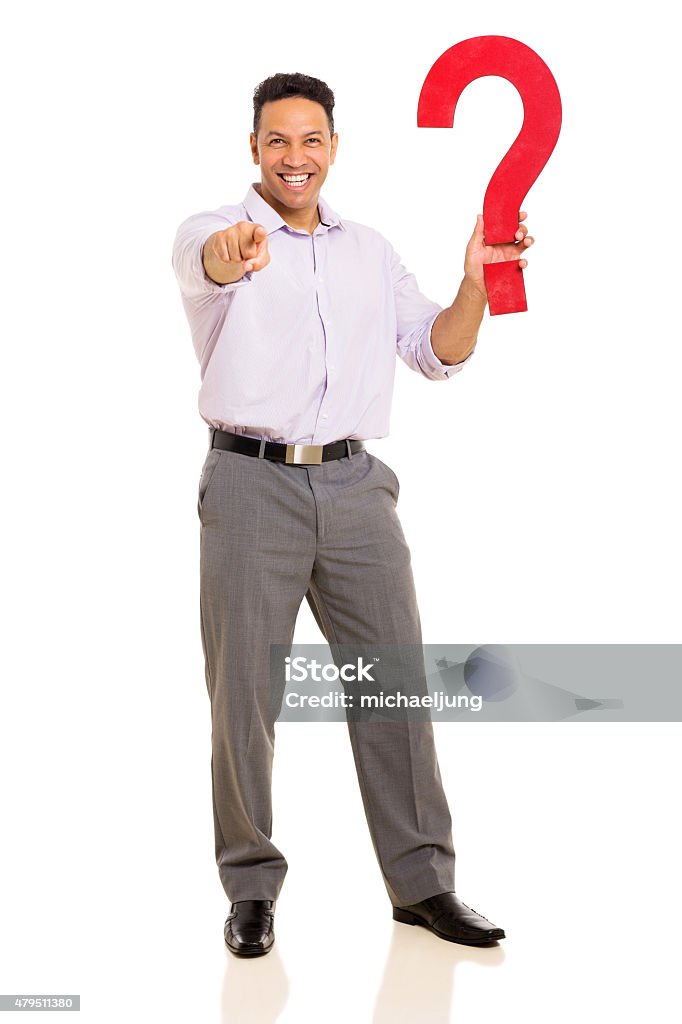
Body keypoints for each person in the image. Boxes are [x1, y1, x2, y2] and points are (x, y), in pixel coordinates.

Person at [172, 72, 533, 958]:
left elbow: (434, 350)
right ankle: (250, 888)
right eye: (278, 141)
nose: (296, 156)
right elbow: (206, 264)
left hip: (357, 487)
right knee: (244, 699)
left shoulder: (369, 249)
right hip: (251, 483)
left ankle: (424, 887)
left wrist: (475, 283)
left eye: (312, 140)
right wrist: (235, 254)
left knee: (394, 687)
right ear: (254, 149)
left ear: (333, 147)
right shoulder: (214, 231)